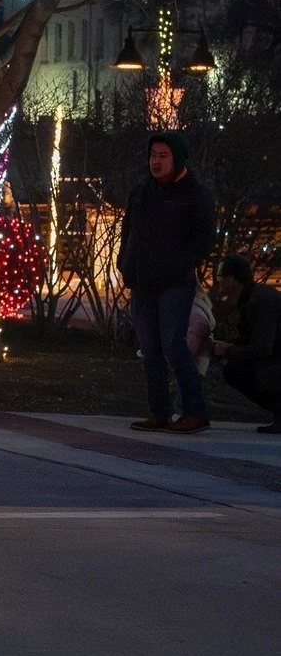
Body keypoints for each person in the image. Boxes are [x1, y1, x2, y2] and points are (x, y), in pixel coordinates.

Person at [116, 131, 216, 433]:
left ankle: (194, 411)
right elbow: (128, 228)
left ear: (177, 158)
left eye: (163, 156)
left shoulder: (194, 193)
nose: (156, 162)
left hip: (174, 282)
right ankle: (158, 410)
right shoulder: (142, 190)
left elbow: (204, 238)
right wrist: (124, 261)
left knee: (173, 344)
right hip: (142, 280)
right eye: (153, 155)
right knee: (149, 347)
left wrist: (180, 264)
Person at [212, 254, 281, 434]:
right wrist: (227, 346)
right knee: (234, 369)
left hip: (274, 361)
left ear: (232, 279)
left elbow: (263, 348)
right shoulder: (250, 299)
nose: (218, 281)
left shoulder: (261, 301)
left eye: (220, 276)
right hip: (273, 357)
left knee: (236, 370)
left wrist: (228, 350)